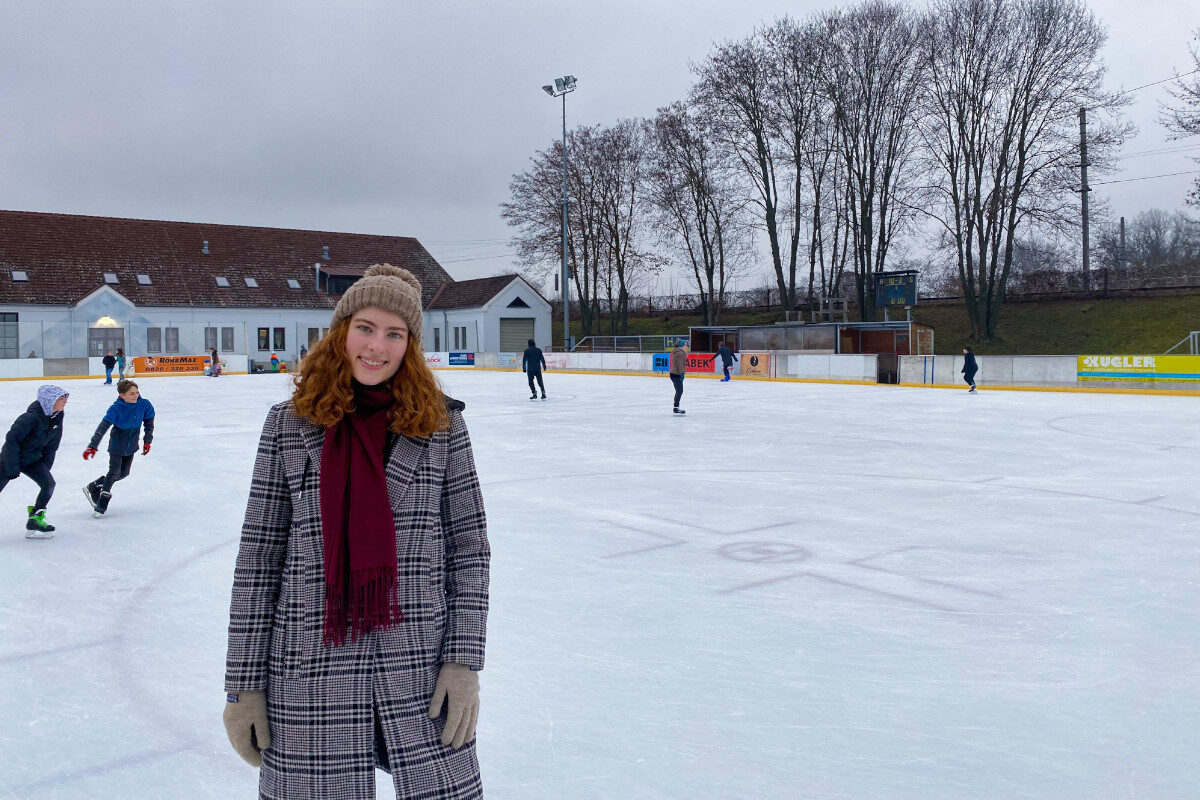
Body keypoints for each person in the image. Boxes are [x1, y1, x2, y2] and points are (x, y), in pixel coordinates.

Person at [223, 263, 490, 800]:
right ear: (341, 330)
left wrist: (463, 661)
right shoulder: (289, 425)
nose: (377, 346)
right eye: (365, 327)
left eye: (395, 334)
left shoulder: (441, 427)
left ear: (410, 345)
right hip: (309, 666)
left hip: (415, 666)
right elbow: (258, 559)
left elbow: (470, 551)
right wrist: (244, 686)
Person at [1, 385, 68, 538]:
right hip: (12, 458)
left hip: (33, 459)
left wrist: (45, 466)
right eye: (61, 398)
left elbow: (52, 445)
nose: (65, 402)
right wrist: (11, 467)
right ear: (50, 400)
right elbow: (11, 440)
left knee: (48, 484)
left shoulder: (57, 416)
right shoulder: (30, 418)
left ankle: (34, 519)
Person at [82, 379, 155, 516]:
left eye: (137, 393)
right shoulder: (115, 408)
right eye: (132, 394)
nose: (136, 396)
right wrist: (93, 446)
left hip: (132, 445)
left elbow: (149, 424)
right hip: (117, 444)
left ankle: (95, 485)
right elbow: (102, 428)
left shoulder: (144, 404)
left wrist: (147, 441)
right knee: (114, 472)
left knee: (124, 473)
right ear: (122, 395)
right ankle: (101, 505)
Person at [669, 341, 688, 414]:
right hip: (676, 374)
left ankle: (676, 407)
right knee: (679, 391)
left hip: (674, 374)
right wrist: (682, 374)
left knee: (679, 391)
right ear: (682, 346)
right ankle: (676, 408)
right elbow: (680, 364)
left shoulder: (678, 352)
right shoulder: (680, 353)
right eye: (685, 345)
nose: (687, 346)